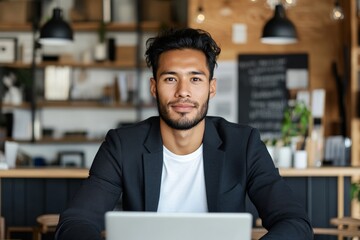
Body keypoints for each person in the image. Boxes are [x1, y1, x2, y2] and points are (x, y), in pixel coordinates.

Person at [55, 28, 313, 240]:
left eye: (195, 79)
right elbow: (77, 220)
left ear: (211, 88)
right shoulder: (122, 145)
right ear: (154, 87)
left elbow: (294, 221)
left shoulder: (243, 144)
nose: (183, 92)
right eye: (170, 79)